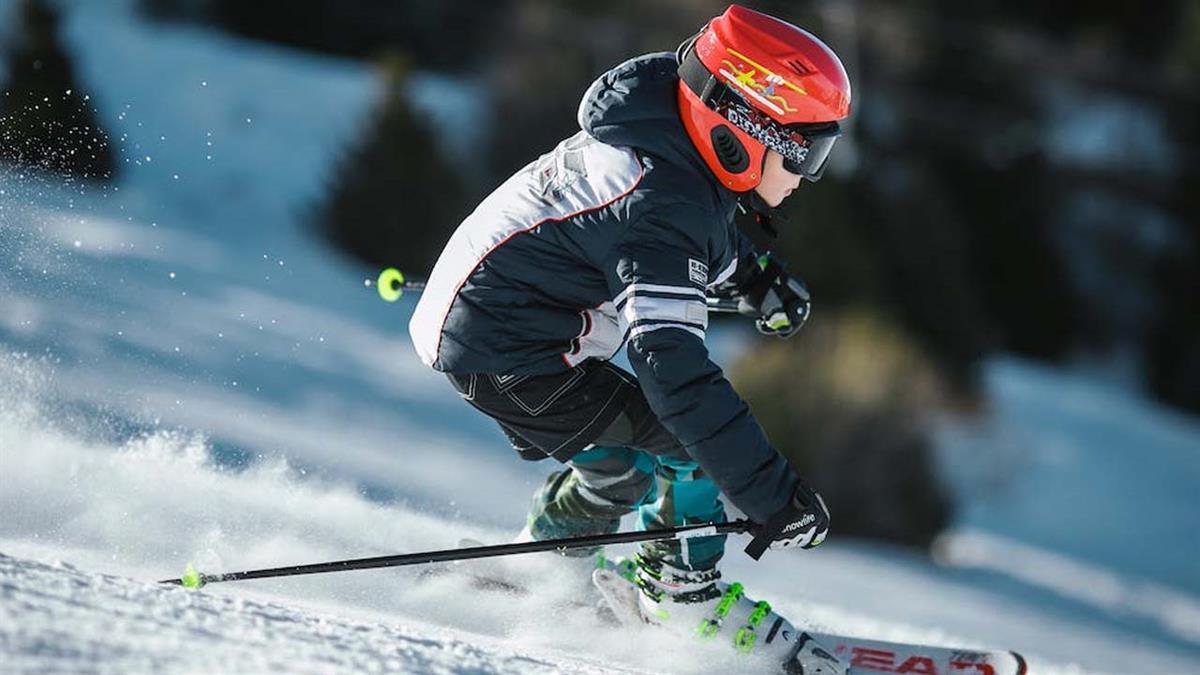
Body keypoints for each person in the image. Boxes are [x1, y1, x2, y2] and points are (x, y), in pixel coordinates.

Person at [409, 4, 850, 671]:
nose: (807, 175)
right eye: (806, 151)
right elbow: (671, 371)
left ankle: (542, 564)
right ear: (746, 130)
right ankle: (682, 593)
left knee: (623, 463)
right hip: (507, 351)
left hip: (500, 330)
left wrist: (755, 278)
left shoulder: (665, 145)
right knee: (685, 445)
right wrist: (771, 494)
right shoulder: (658, 204)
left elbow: (695, 234)